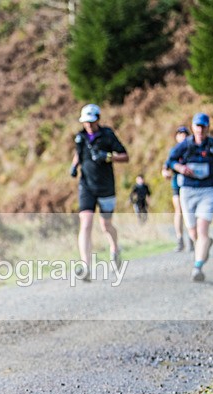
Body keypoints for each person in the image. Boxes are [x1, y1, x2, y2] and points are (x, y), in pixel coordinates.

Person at [166, 113, 213, 282]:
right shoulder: (185, 145)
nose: (200, 130)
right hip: (187, 191)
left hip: (207, 190)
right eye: (197, 126)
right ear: (193, 127)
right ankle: (204, 245)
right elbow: (171, 160)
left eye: (203, 126)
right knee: (193, 232)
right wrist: (180, 168)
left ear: (208, 128)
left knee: (202, 230)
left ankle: (198, 267)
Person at [69, 103, 129, 281]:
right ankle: (86, 266)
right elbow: (78, 154)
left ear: (98, 120)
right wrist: (74, 166)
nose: (88, 125)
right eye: (85, 122)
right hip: (86, 185)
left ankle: (115, 249)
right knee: (85, 223)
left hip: (105, 186)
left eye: (91, 121)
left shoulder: (108, 135)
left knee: (106, 226)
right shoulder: (80, 137)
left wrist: (108, 156)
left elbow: (125, 156)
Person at [161, 126, 194, 251]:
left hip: (191, 184)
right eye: (180, 134)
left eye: (185, 134)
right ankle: (180, 239)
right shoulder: (174, 151)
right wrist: (165, 173)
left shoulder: (192, 149)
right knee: (179, 210)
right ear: (176, 137)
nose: (183, 136)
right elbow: (166, 166)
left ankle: (191, 238)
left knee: (190, 211)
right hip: (177, 184)